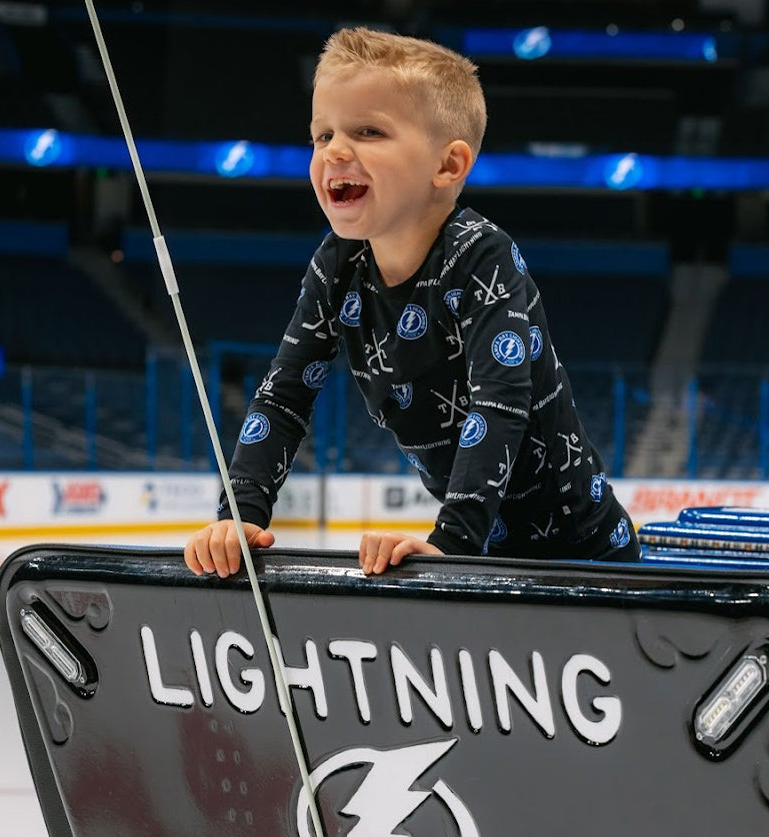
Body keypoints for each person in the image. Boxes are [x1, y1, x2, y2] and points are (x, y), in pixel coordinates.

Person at [184, 26, 641, 579]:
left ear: (448, 166)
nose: (335, 150)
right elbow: (284, 397)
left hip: (587, 558)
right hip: (488, 559)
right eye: (322, 135)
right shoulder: (337, 264)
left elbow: (499, 402)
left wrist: (452, 543)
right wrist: (240, 514)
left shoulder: (481, 255)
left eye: (368, 131)